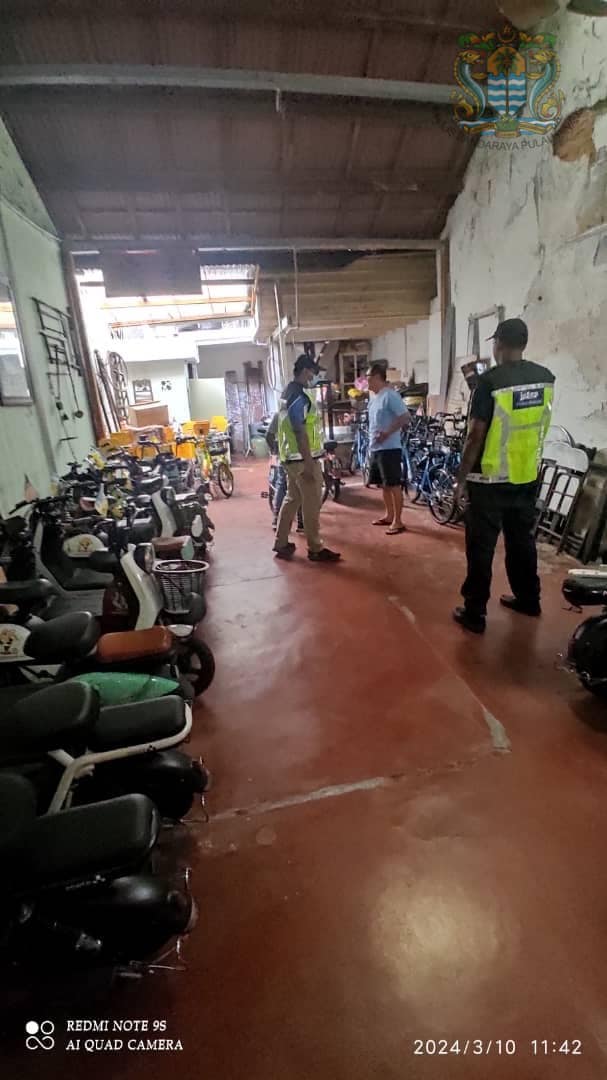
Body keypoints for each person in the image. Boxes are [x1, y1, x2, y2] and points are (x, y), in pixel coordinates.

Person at [453, 317, 555, 634]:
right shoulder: (545, 378)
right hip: (526, 475)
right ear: (523, 343)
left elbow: (475, 435)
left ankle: (475, 613)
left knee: (481, 548)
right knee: (522, 541)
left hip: (489, 479)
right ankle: (528, 598)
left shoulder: (489, 383)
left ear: (498, 344)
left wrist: (461, 478)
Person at [273, 354, 341, 563]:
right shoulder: (299, 396)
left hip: (290, 458)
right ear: (305, 371)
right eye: (313, 372)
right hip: (302, 459)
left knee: (292, 499)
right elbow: (299, 430)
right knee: (311, 504)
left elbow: (278, 426)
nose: (314, 377)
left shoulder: (287, 392)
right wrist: (309, 463)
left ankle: (281, 542)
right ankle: (315, 548)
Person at [367, 362, 411, 535]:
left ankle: (398, 521)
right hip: (377, 448)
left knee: (393, 485)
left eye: (369, 378)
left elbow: (405, 417)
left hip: (389, 448)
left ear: (378, 378)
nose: (367, 382)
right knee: (384, 485)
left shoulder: (390, 396)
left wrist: (387, 433)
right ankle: (389, 515)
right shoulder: (375, 398)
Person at [265, 412, 303, 533]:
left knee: (282, 486)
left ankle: (277, 519)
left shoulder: (279, 415)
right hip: (298, 455)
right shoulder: (301, 412)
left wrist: (275, 450)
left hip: (285, 456)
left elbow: (268, 436)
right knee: (300, 486)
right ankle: (301, 521)